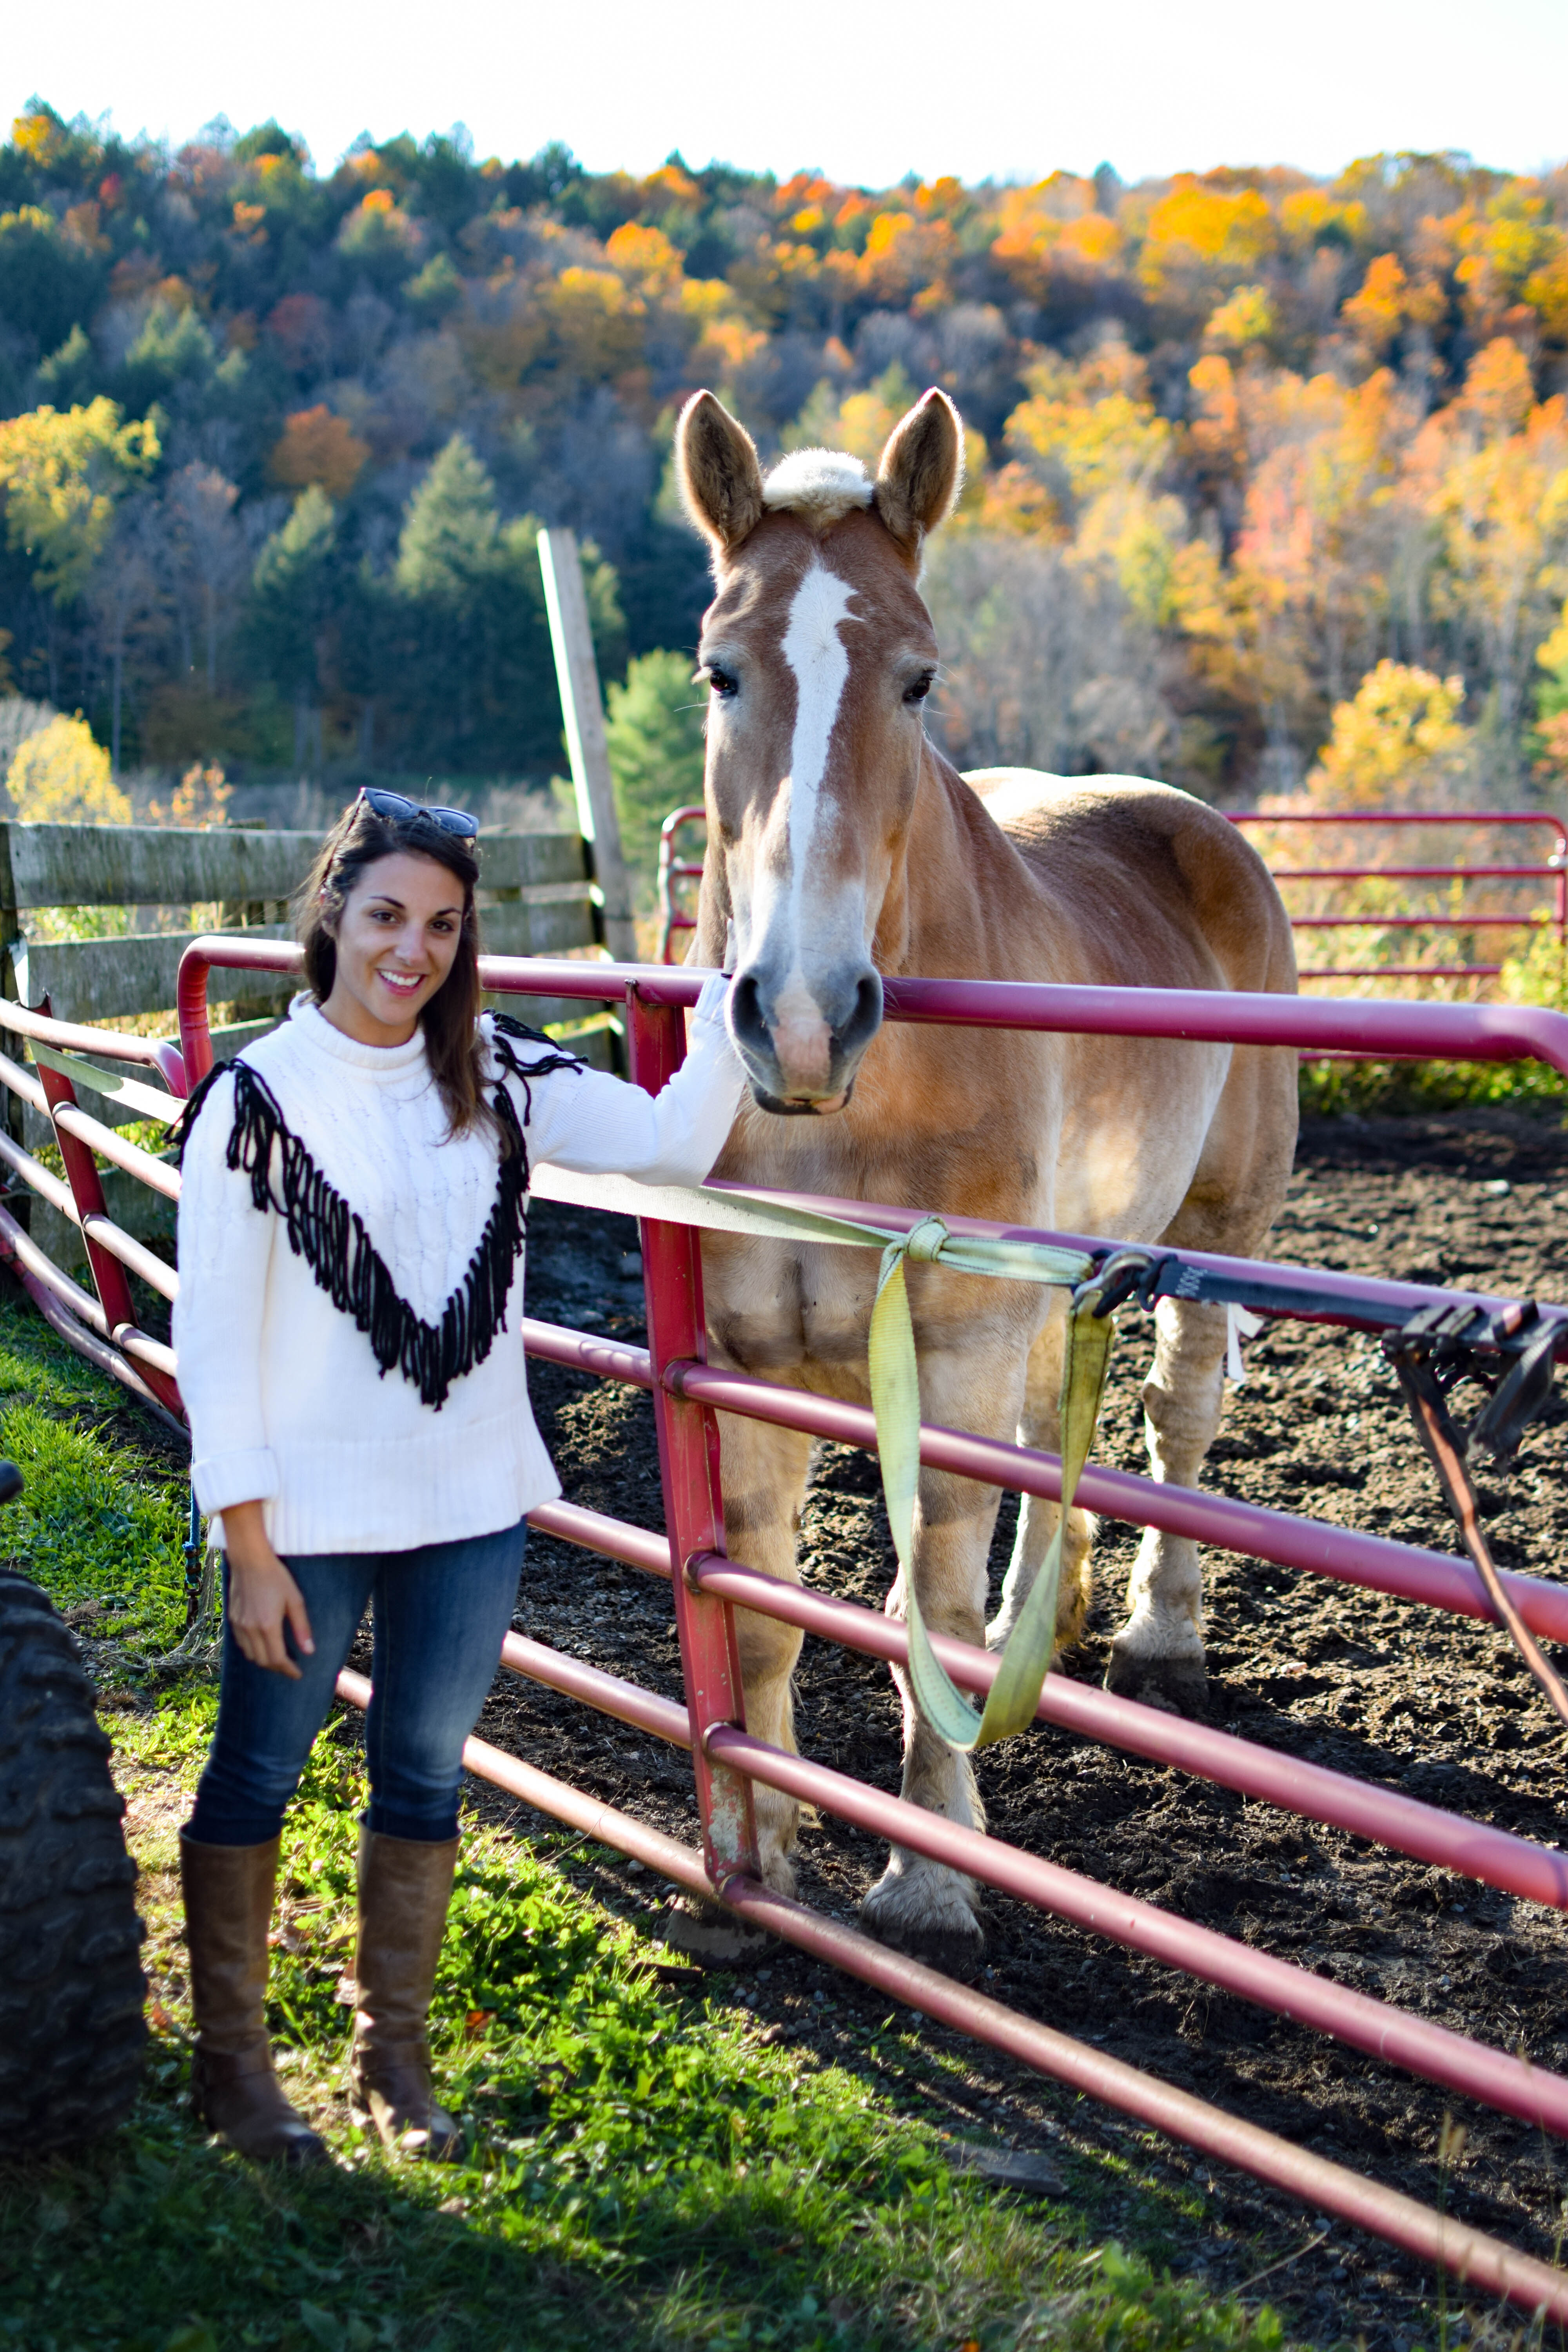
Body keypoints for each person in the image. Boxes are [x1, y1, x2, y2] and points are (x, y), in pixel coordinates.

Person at [172, 789, 742, 2167]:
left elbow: (673, 1142)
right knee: (259, 1770)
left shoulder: (497, 1075)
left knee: (423, 1777)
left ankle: (394, 2063)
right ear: (331, 914)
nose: (410, 951)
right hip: (300, 1520)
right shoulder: (253, 1104)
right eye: (384, 917)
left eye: (441, 925)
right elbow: (214, 1345)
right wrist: (245, 1544)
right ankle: (233, 2071)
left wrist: (737, 989)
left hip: (470, 1505)